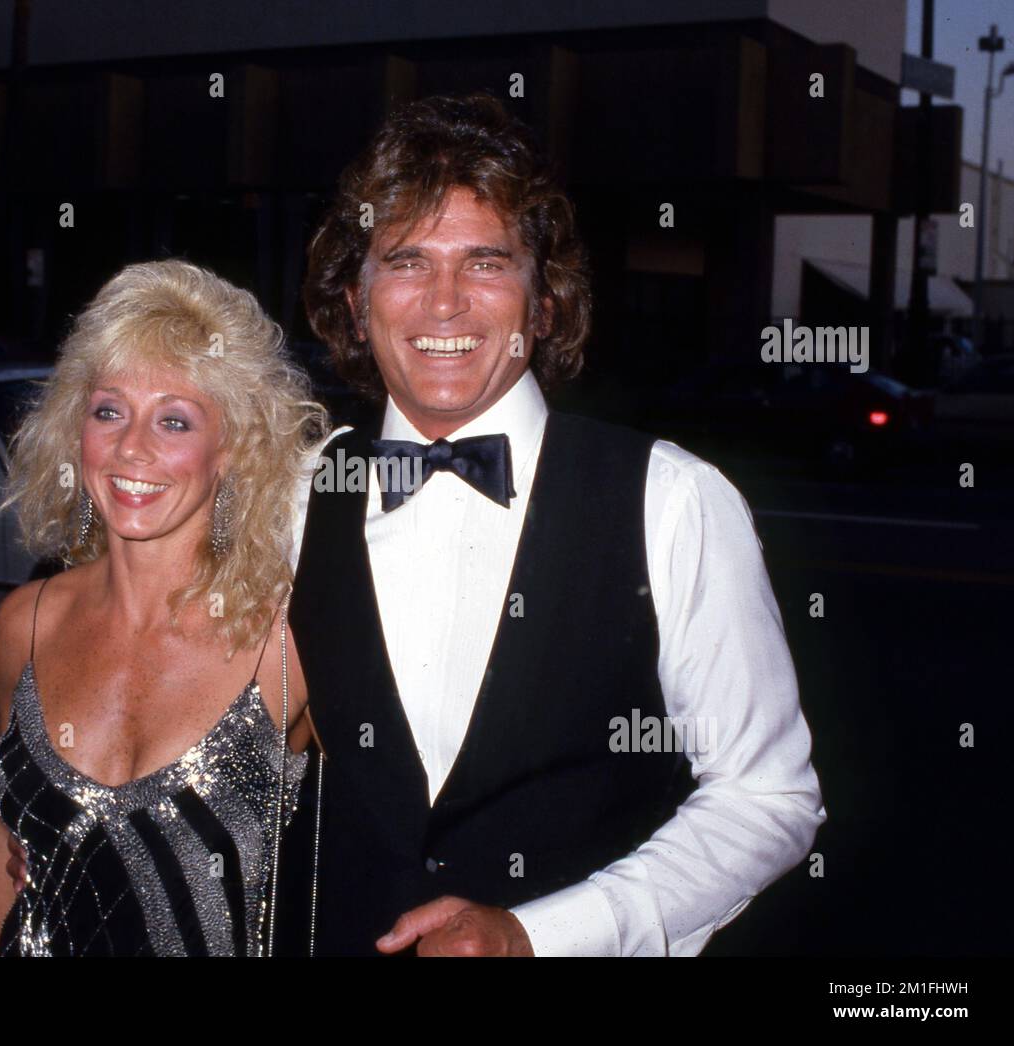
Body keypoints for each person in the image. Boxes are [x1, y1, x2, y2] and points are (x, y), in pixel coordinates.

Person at [274, 92, 827, 956]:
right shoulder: (295, 495)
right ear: (355, 299)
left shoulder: (672, 501)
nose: (445, 302)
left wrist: (544, 934)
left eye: (487, 263)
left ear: (543, 303)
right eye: (407, 260)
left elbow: (768, 798)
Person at [0, 259, 328, 956]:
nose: (132, 447)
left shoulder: (289, 639)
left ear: (233, 450)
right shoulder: (26, 623)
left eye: (175, 420)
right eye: (109, 411)